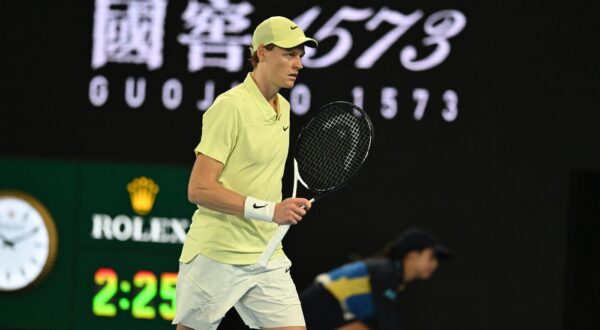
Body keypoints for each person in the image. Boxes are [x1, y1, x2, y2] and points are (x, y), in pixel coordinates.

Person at [172, 16, 318, 330]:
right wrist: (270, 211)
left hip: (266, 254)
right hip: (217, 254)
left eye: (301, 56)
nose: (298, 64)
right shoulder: (230, 107)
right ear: (262, 52)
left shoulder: (284, 108)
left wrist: (280, 210)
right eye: (289, 54)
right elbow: (199, 189)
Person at [300, 227, 451, 330]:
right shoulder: (386, 271)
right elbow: (388, 322)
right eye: (431, 257)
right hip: (317, 304)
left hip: (327, 311)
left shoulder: (394, 281)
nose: (435, 264)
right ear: (412, 255)